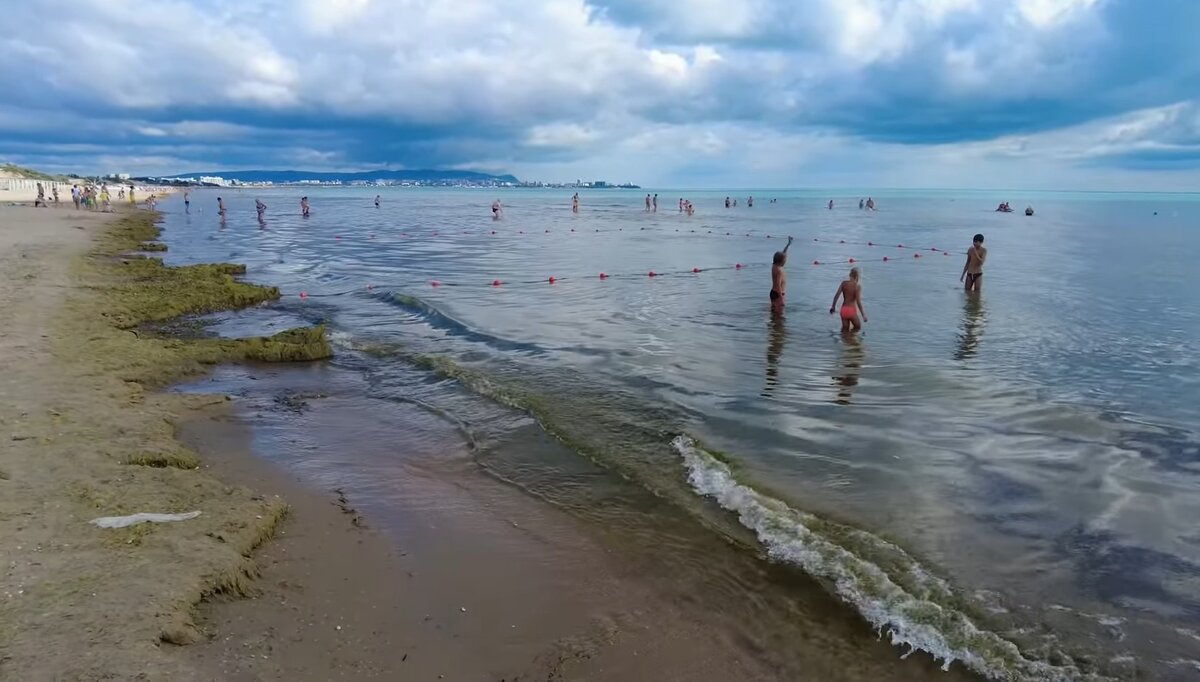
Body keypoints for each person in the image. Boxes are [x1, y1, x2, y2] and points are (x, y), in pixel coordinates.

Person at [830, 268, 867, 334]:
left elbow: (836, 296)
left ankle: (844, 341)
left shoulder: (843, 283)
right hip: (851, 310)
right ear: (857, 276)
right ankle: (850, 339)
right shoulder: (857, 286)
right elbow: (858, 302)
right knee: (857, 327)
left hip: (843, 310)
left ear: (850, 275)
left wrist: (833, 307)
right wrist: (863, 315)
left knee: (844, 330)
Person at [769, 236, 795, 316]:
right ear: (781, 261)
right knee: (779, 317)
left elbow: (783, 254)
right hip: (778, 294)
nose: (785, 261)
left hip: (773, 293)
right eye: (784, 260)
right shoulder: (779, 271)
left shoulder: (774, 266)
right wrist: (781, 299)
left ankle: (773, 326)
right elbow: (778, 286)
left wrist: (788, 244)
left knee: (774, 314)